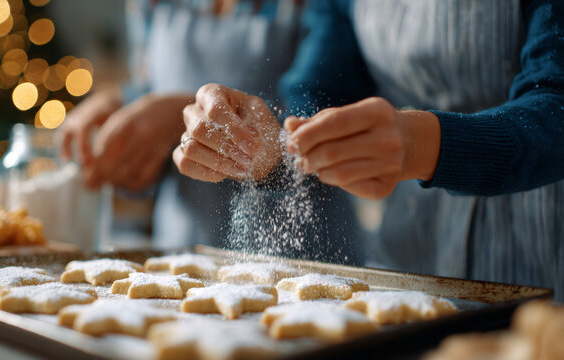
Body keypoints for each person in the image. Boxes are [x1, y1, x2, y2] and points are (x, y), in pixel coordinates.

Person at [173, 0, 564, 299]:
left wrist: (424, 144)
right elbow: (320, 94)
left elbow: (556, 101)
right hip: (411, 267)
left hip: (543, 255)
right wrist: (270, 146)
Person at [61, 0, 367, 264]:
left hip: (303, 258)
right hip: (179, 251)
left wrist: (181, 114)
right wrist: (123, 109)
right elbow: (152, 85)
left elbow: (323, 118)